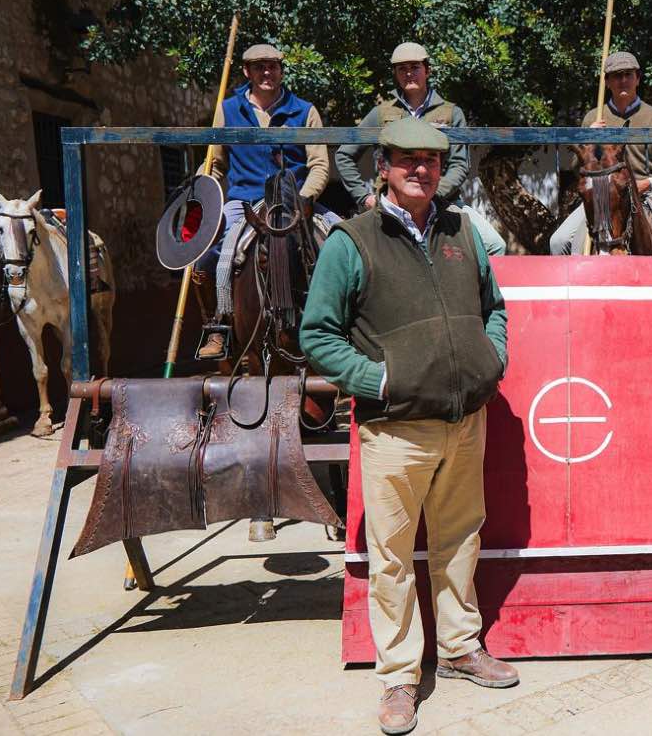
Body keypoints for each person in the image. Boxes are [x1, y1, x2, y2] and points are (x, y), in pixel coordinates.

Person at [302, 116, 516, 735]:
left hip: (463, 419)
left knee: (459, 540)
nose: (419, 169)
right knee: (392, 556)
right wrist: (377, 382)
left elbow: (493, 306)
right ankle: (398, 676)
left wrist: (491, 357)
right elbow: (318, 333)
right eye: (406, 160)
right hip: (395, 427)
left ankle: (458, 648)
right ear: (384, 167)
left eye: (430, 160)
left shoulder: (464, 232)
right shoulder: (353, 240)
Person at [194, 43, 338, 359]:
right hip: (244, 200)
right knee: (212, 258)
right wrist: (203, 193)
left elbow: (320, 165)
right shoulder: (228, 110)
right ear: (247, 71)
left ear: (281, 70)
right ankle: (219, 328)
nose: (267, 73)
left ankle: (350, 327)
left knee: (344, 246)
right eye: (259, 67)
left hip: (295, 199)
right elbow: (215, 164)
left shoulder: (304, 110)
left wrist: (302, 200)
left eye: (272, 66)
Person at [335, 42, 507, 256]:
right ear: (395, 73)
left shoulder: (451, 113)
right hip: (392, 203)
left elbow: (459, 165)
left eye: (415, 67)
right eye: (402, 69)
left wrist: (433, 194)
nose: (409, 74)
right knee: (350, 250)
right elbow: (344, 154)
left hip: (443, 202)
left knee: (494, 246)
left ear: (427, 70)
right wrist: (364, 197)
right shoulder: (381, 114)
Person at [550, 51, 652, 255]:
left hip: (647, 196)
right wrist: (588, 139)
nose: (623, 80)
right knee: (558, 242)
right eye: (616, 75)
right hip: (602, 198)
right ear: (607, 81)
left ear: (637, 78)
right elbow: (577, 169)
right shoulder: (593, 118)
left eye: (628, 74)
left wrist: (648, 183)